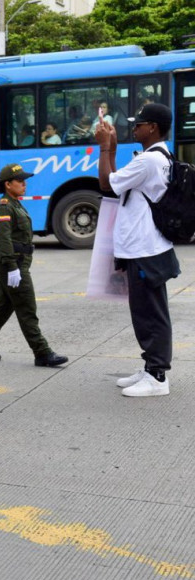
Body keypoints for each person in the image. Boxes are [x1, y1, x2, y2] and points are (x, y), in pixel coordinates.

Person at [95, 102, 178, 397]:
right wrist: (113, 149)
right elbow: (117, 186)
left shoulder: (149, 161)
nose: (135, 127)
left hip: (145, 248)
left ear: (153, 127)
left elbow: (105, 183)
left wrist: (105, 148)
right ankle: (150, 367)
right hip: (145, 247)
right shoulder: (157, 156)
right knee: (145, 310)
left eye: (139, 124)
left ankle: (157, 377)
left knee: (150, 313)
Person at [0, 164, 68, 368]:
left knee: (2, 307)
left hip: (16, 262)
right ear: (8, 184)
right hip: (12, 263)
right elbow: (4, 239)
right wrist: (12, 267)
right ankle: (42, 353)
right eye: (20, 181)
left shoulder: (14, 203)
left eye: (25, 181)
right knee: (27, 308)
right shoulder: (5, 206)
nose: (24, 184)